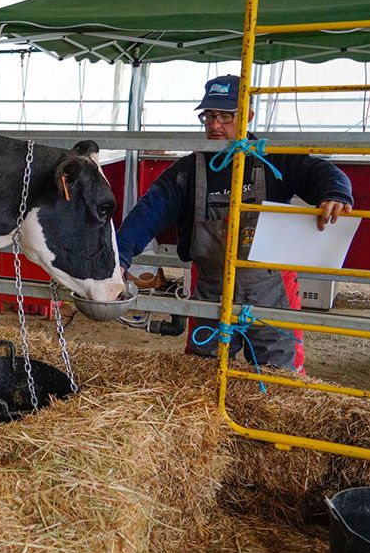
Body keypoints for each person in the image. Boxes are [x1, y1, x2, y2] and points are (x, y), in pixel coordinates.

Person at [115, 74, 353, 373]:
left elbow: (322, 173)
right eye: (209, 116)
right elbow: (147, 213)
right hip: (210, 286)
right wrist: (119, 259)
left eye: (226, 116)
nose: (215, 125)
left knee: (280, 376)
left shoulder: (275, 159)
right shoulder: (187, 171)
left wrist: (335, 193)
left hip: (271, 289)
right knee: (203, 374)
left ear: (248, 116)